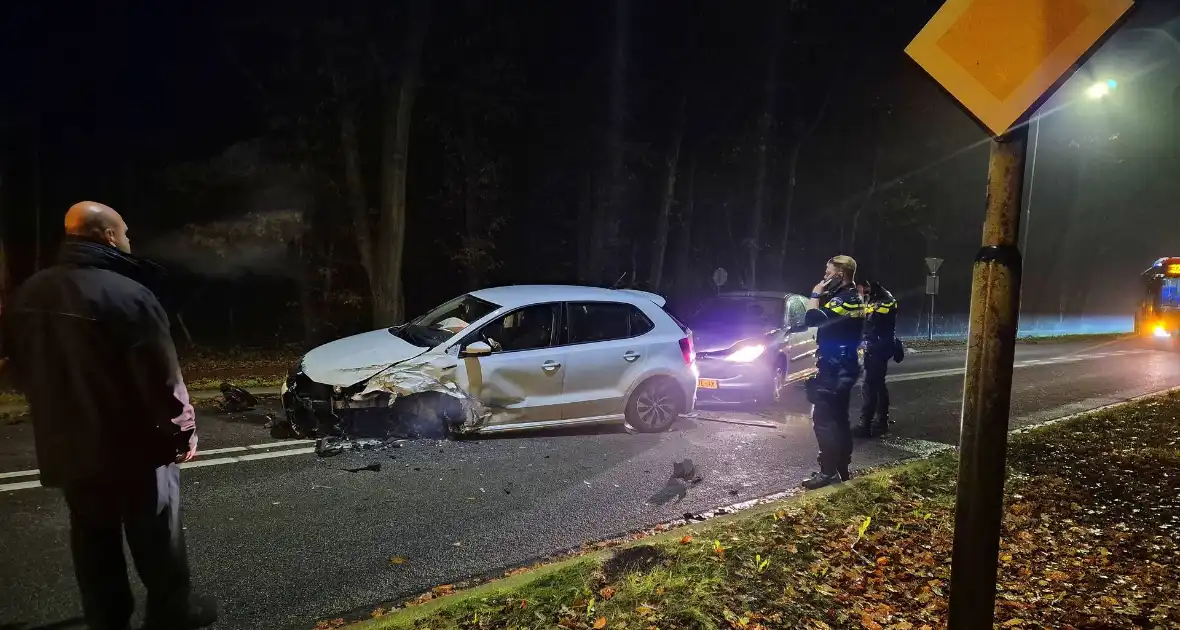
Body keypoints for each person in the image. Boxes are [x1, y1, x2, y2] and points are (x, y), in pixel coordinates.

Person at [1, 202, 217, 630]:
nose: (129, 240)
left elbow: (17, 369)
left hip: (68, 444)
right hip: (136, 445)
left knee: (92, 538)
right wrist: (183, 434)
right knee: (157, 537)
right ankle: (172, 614)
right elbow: (163, 379)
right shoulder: (130, 295)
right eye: (125, 233)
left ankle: (107, 619)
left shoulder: (29, 294)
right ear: (107, 237)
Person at [800, 255, 866, 490]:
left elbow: (812, 319)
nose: (824, 277)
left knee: (824, 420)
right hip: (844, 364)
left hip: (835, 367)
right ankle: (841, 467)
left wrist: (816, 293)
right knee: (839, 419)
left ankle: (828, 471)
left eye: (827, 274)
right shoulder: (853, 297)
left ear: (839, 275)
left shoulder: (845, 300)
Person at [855, 279, 898, 438]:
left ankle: (865, 425)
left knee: (869, 385)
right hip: (878, 346)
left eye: (858, 288)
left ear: (865, 285)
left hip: (878, 348)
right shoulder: (876, 297)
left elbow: (871, 323)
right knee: (878, 385)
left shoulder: (884, 301)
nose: (857, 292)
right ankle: (881, 421)